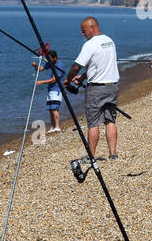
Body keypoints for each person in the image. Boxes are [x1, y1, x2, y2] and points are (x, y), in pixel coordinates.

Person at [65, 16, 120, 159]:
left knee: (93, 123)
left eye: (84, 31)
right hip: (112, 86)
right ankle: (113, 154)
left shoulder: (90, 44)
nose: (82, 34)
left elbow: (76, 66)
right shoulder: (109, 41)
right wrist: (84, 77)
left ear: (92, 28)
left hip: (96, 90)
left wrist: (68, 79)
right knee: (110, 120)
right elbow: (99, 65)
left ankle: (91, 156)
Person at [38, 49, 65, 133]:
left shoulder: (59, 65)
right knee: (50, 109)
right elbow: (40, 69)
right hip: (50, 89)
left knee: (54, 109)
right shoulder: (50, 63)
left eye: (50, 59)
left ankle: (57, 127)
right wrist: (36, 65)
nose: (49, 60)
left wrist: (41, 82)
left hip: (57, 90)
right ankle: (52, 127)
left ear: (55, 57)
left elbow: (54, 79)